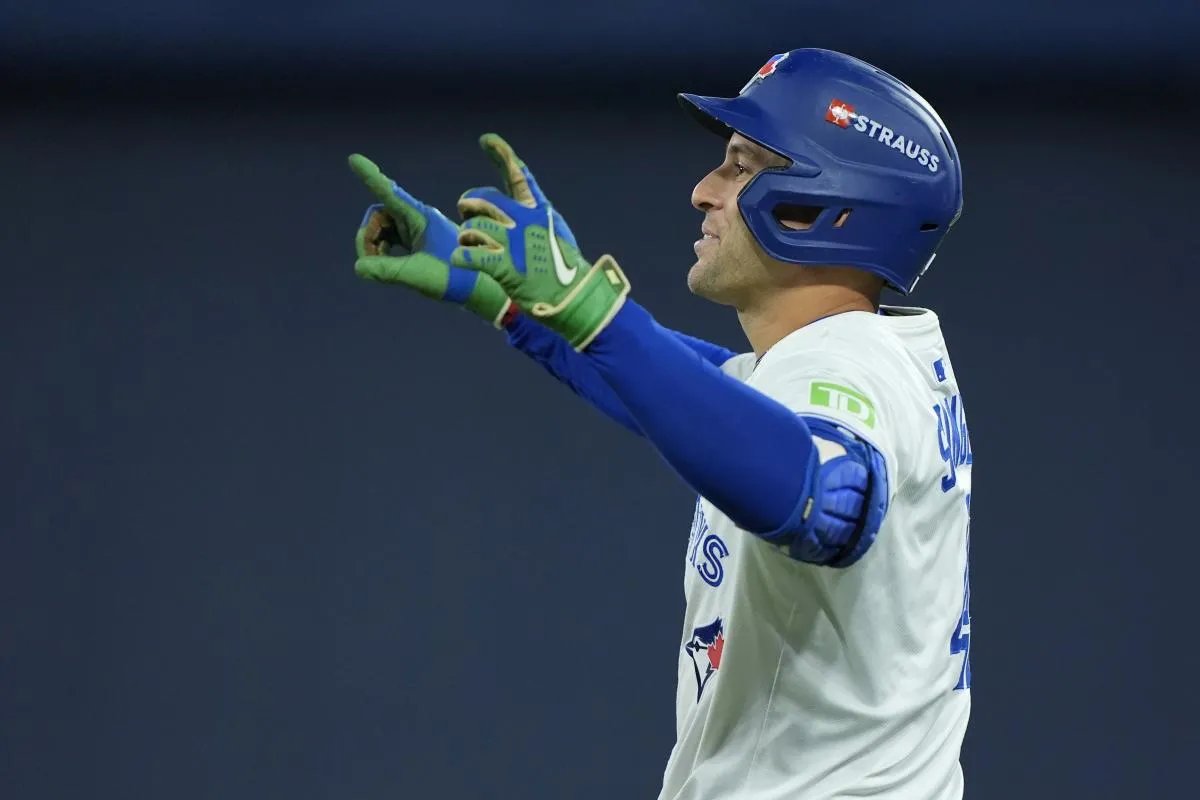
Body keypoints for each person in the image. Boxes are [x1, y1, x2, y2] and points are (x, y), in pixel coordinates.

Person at [349, 47, 973, 800]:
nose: (704, 190)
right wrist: (522, 308)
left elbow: (827, 499)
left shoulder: (847, 366)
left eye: (741, 165)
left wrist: (590, 309)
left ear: (823, 205)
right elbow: (702, 394)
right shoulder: (852, 358)